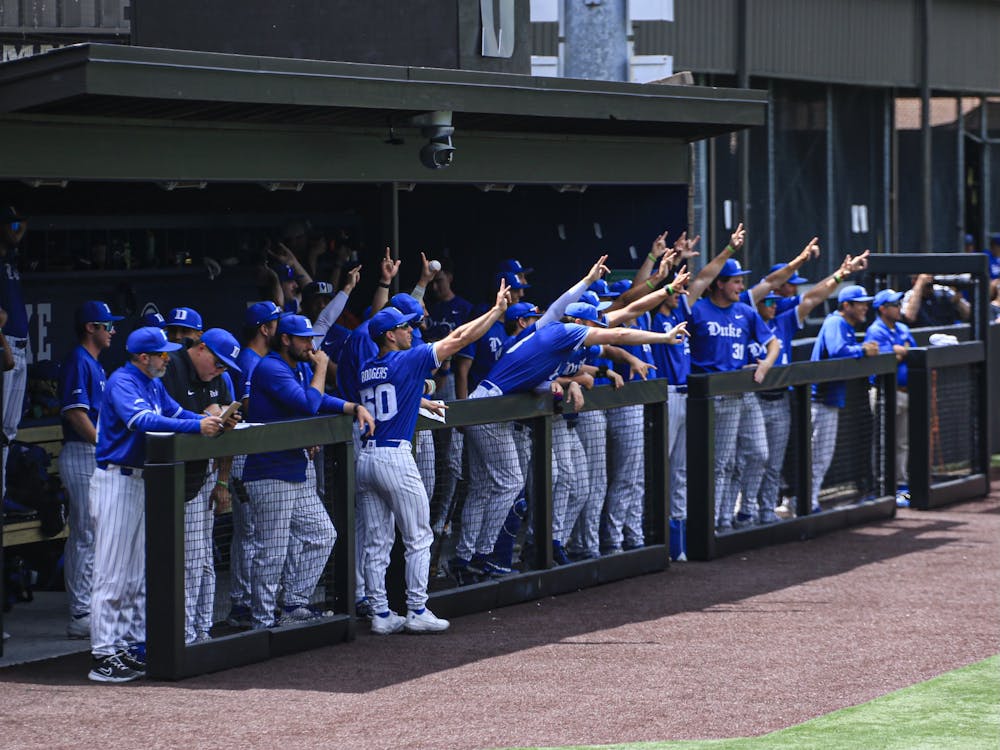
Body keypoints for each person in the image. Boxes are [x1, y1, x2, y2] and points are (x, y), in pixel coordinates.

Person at [451, 255, 688, 581]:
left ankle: (464, 560)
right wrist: (662, 338)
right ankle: (480, 556)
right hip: (491, 409)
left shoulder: (547, 328)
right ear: (581, 324)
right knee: (508, 484)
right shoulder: (564, 333)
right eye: (594, 326)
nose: (598, 331)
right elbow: (617, 334)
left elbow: (612, 313)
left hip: (489, 406)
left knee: (489, 488)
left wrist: (593, 280)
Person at [357, 281, 510, 634]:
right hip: (394, 455)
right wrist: (495, 311)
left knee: (378, 541)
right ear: (390, 336)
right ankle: (416, 608)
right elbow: (458, 339)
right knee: (418, 537)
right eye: (404, 328)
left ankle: (380, 613)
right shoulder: (407, 358)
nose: (411, 330)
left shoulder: (369, 365)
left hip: (366, 458)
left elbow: (390, 394)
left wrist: (419, 399)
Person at [88, 327, 227, 683]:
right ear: (143, 357)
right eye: (162, 354)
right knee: (112, 572)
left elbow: (178, 411)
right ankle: (105, 653)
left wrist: (212, 420)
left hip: (139, 482)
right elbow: (142, 422)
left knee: (135, 572)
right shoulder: (123, 381)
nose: (168, 358)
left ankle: (132, 644)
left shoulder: (152, 382)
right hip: (116, 480)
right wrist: (197, 428)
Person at [242, 314, 374, 630]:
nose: (311, 345)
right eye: (303, 339)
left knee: (322, 534)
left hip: (295, 469)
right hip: (269, 471)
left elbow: (319, 397)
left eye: (311, 338)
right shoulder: (270, 366)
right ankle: (261, 620)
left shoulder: (299, 367)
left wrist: (352, 407)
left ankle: (293, 604)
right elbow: (307, 404)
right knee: (271, 552)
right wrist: (321, 367)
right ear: (285, 339)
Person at [687, 246, 781, 530]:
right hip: (711, 393)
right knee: (720, 462)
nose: (741, 286)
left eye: (742, 280)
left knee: (759, 454)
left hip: (742, 391)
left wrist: (764, 365)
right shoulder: (699, 309)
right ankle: (715, 520)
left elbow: (773, 343)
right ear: (720, 283)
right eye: (736, 281)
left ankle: (738, 512)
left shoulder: (745, 312)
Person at [160, 327, 243, 643]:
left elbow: (224, 434)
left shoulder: (219, 380)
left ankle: (200, 629)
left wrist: (222, 480)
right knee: (182, 560)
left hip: (201, 478)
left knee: (201, 558)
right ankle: (179, 633)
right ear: (202, 348)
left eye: (225, 367)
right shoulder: (172, 368)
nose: (220, 371)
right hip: (165, 480)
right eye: (218, 363)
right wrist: (202, 418)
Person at [59, 301, 124, 639]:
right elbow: (74, 412)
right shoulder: (79, 360)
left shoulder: (96, 364)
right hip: (83, 453)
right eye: (106, 325)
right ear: (90, 328)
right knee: (85, 534)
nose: (112, 331)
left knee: (97, 534)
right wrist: (104, 445)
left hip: (93, 454)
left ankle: (91, 607)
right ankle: (80, 613)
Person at [225, 301, 283, 628]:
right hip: (244, 451)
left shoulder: (261, 359)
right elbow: (249, 405)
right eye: (275, 323)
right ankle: (241, 603)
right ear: (264, 328)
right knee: (248, 532)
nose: (279, 328)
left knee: (254, 532)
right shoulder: (249, 361)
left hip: (257, 452)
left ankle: (250, 601)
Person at [809, 285, 881, 514]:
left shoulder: (846, 326)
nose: (865, 307)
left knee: (821, 456)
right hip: (819, 400)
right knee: (818, 456)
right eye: (860, 303)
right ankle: (805, 503)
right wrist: (862, 350)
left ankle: (806, 501)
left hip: (828, 400)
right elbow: (838, 350)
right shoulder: (835, 322)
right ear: (846, 305)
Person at [864, 289, 917, 507]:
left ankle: (901, 488)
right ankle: (881, 487)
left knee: (903, 442)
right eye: (894, 304)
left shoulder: (903, 328)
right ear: (883, 309)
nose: (898, 308)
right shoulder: (875, 330)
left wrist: (900, 351)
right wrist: (898, 352)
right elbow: (885, 360)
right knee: (883, 441)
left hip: (906, 391)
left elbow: (911, 351)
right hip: (886, 392)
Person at [0, 205, 29, 495]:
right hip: (6, 349)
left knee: (9, 430)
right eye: (10, 225)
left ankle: (3, 492)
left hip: (20, 348)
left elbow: (19, 231)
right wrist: (4, 347)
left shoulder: (9, 256)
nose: (16, 229)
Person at [901, 274, 970, 327]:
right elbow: (910, 317)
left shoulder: (943, 291)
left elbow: (968, 314)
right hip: (923, 337)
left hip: (947, 335)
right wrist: (920, 283)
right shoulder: (910, 295)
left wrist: (957, 297)